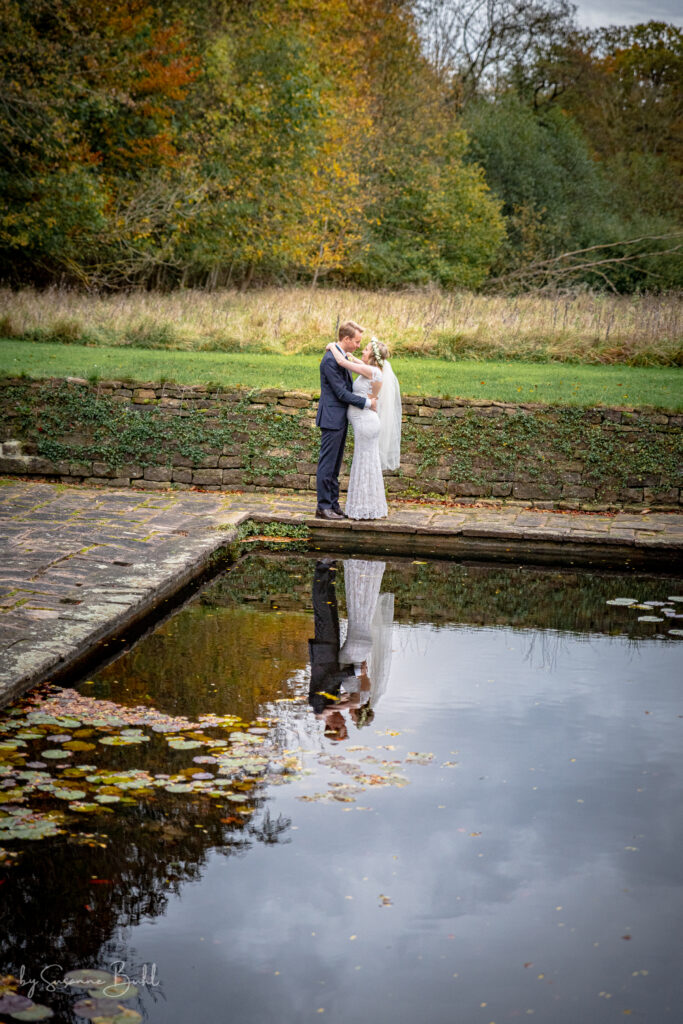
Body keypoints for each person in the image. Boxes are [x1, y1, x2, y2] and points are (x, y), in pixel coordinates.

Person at [324, 335, 401, 521]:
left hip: (365, 422)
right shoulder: (375, 370)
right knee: (367, 463)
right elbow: (355, 361)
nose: (362, 351)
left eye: (366, 349)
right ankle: (368, 506)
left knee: (364, 463)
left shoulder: (371, 371)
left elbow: (342, 361)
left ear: (373, 356)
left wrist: (333, 346)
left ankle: (363, 507)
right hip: (367, 422)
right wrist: (353, 356)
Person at [315, 320, 376, 521]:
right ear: (347, 339)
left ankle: (333, 504)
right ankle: (323, 507)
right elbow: (341, 393)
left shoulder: (340, 355)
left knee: (335, 465)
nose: (359, 345)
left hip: (340, 419)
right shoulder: (330, 360)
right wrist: (367, 403)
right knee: (328, 464)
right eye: (357, 341)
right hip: (332, 418)